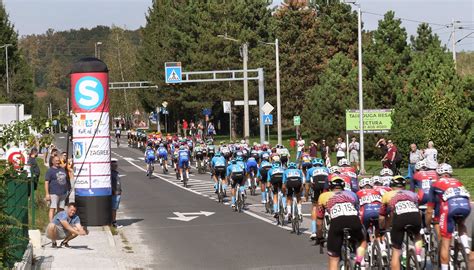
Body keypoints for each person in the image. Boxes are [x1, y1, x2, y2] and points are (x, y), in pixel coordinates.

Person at [426, 163, 471, 270]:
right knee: (461, 224)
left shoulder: (435, 184)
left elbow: (429, 210)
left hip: (450, 208)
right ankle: (466, 247)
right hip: (466, 205)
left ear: (438, 173)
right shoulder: (457, 182)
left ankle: (445, 268)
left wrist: (427, 225)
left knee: (445, 242)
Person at [317, 176, 367, 270]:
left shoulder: (323, 196)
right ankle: (358, 262)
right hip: (353, 220)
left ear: (330, 187)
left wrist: (319, 237)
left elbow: (319, 220)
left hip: (337, 222)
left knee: (334, 258)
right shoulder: (352, 194)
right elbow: (357, 211)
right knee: (362, 242)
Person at [379, 176, 423, 270]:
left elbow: (382, 215)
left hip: (400, 218)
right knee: (417, 234)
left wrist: (382, 228)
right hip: (415, 216)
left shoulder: (387, 194)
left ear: (392, 186)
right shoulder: (412, 194)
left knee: (396, 250)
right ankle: (418, 255)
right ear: (404, 186)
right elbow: (418, 209)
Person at [305, 158, 329, 240]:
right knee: (327, 203)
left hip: (316, 186)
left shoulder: (310, 170)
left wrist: (306, 195)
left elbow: (307, 184)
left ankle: (314, 231)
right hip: (326, 185)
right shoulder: (326, 169)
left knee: (315, 206)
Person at [45, 156, 73, 222]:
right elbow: (46, 182)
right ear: (52, 162)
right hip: (54, 192)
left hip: (63, 193)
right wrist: (47, 194)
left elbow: (68, 174)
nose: (58, 162)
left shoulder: (62, 169)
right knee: (53, 208)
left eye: (58, 160)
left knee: (61, 208)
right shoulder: (50, 171)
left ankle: (59, 222)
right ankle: (51, 223)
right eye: (56, 160)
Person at [111, 159, 122, 228]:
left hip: (118, 192)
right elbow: (110, 183)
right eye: (114, 165)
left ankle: (113, 221)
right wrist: (114, 191)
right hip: (114, 193)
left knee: (115, 208)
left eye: (116, 165)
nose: (115, 166)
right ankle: (114, 222)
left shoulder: (116, 173)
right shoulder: (111, 173)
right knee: (113, 208)